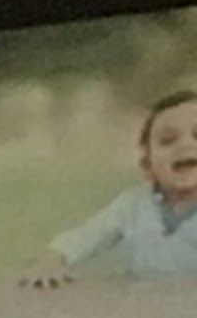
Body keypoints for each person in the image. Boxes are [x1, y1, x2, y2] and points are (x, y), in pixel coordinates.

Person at [23, 83, 197, 284]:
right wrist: (52, 260)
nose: (186, 145)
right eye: (168, 140)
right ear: (147, 165)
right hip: (144, 299)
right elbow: (86, 236)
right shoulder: (132, 206)